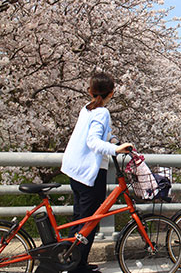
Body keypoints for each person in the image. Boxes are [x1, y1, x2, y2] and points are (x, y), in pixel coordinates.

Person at [61, 73, 133, 273]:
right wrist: (116, 149)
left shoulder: (88, 108)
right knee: (90, 220)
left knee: (80, 218)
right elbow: (92, 141)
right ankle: (76, 267)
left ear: (90, 91)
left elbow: (102, 134)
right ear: (111, 92)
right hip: (88, 172)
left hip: (74, 169)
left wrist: (113, 140)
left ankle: (74, 260)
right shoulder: (101, 112)